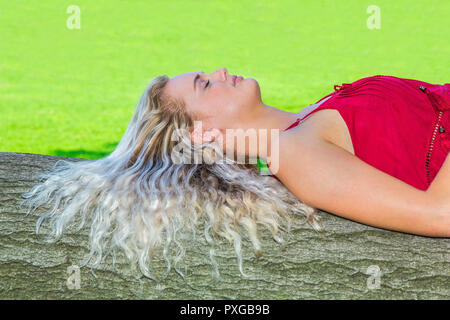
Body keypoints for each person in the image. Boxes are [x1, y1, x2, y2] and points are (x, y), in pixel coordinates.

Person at [20, 68, 450, 280]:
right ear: (203, 132)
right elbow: (441, 213)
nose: (222, 72)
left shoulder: (297, 127)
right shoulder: (293, 155)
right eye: (206, 84)